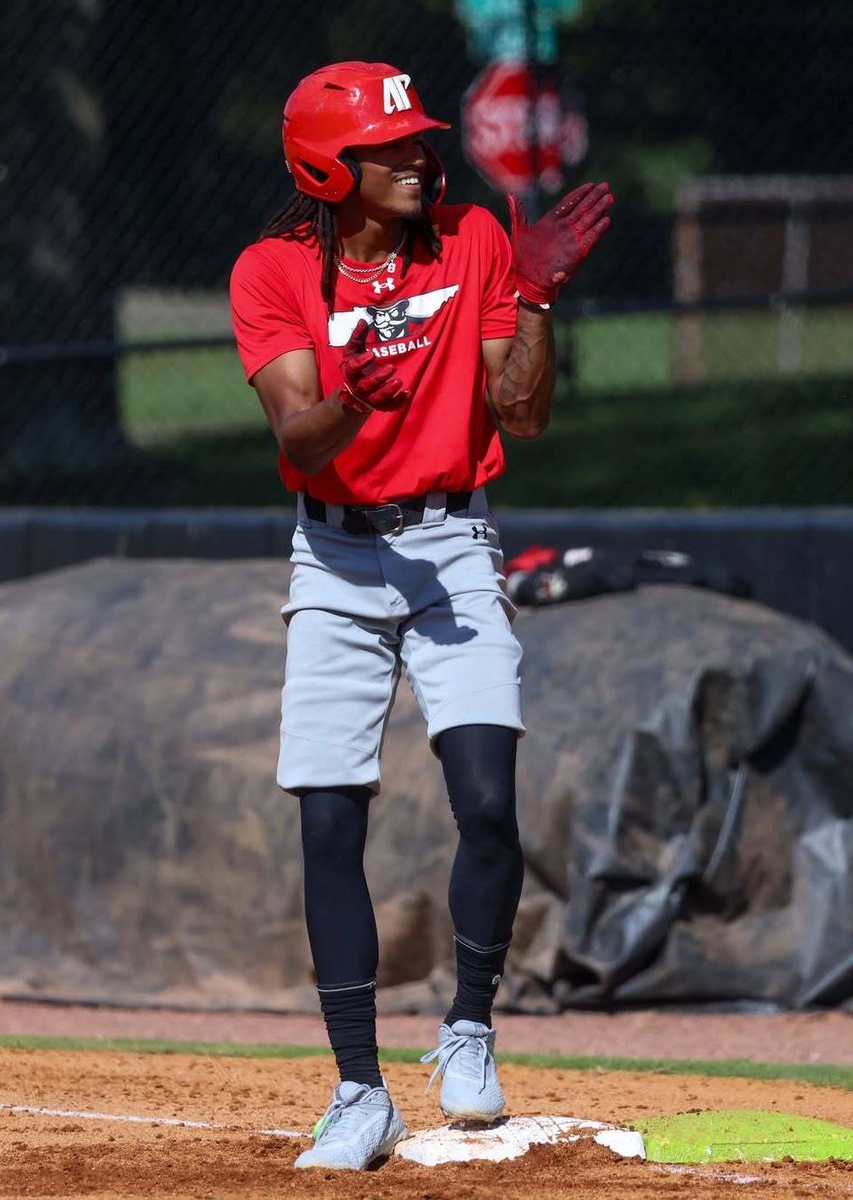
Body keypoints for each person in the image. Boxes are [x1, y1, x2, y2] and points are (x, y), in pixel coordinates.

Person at [229, 61, 613, 1171]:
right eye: (390, 146)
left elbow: (521, 415)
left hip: (452, 540)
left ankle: (470, 1030)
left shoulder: (472, 241)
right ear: (323, 166)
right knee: (328, 819)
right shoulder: (271, 274)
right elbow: (299, 442)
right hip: (338, 557)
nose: (417, 156)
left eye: (417, 140)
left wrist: (535, 302)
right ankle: (360, 1092)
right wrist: (356, 390)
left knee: (488, 802)